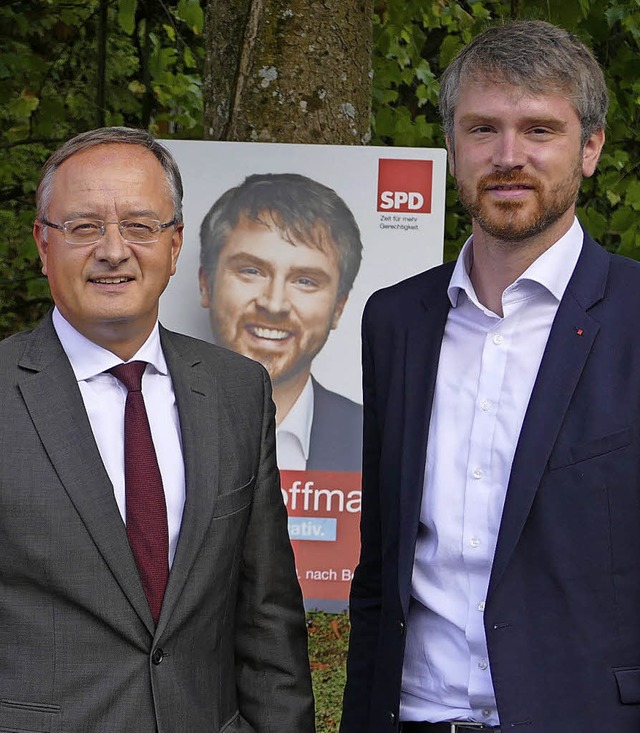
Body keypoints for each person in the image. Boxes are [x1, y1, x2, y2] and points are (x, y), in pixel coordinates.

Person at [341, 19, 640, 733]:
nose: (509, 156)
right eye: (483, 129)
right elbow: (380, 568)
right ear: (452, 146)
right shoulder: (395, 320)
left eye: (540, 130)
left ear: (590, 147)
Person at [0, 127, 315, 732]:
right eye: (84, 226)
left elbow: (267, 616)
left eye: (140, 226)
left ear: (174, 248)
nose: (114, 249)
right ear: (43, 245)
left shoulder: (237, 391)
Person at [199, 173, 363, 472]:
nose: (274, 304)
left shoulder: (373, 437)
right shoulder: (149, 421)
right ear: (206, 284)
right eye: (251, 270)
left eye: (305, 281)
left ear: (339, 306)